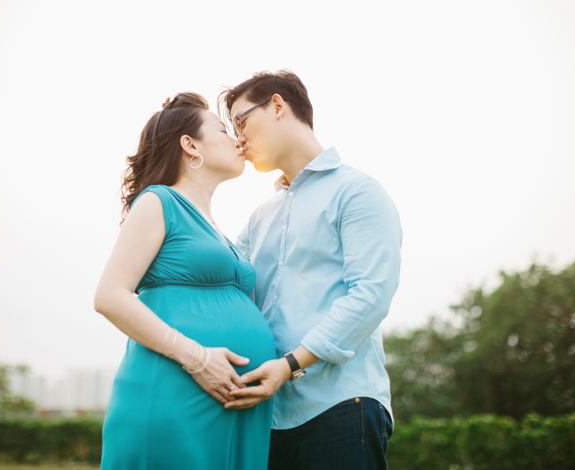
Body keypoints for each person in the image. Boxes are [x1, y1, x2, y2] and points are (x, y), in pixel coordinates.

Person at [219, 71, 403, 470]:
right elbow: (225, 285)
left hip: (342, 405)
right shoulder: (258, 217)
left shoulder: (357, 192)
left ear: (278, 106)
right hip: (268, 418)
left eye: (241, 121)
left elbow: (370, 295)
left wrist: (289, 365)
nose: (239, 139)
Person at [94, 92, 276, 469]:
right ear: (190, 144)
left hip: (234, 405)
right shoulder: (158, 202)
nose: (237, 139)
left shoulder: (219, 231)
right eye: (223, 130)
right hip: (178, 393)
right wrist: (197, 358)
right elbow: (110, 296)